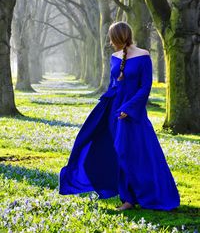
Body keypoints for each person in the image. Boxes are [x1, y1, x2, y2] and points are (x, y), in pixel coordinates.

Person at [59, 21, 180, 211]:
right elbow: (112, 85)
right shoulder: (114, 57)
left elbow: (145, 87)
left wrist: (129, 108)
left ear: (118, 37)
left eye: (111, 37)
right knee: (115, 153)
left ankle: (150, 193)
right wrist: (105, 107)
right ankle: (128, 199)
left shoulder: (143, 56)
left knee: (137, 154)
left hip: (134, 114)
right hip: (114, 112)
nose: (110, 41)